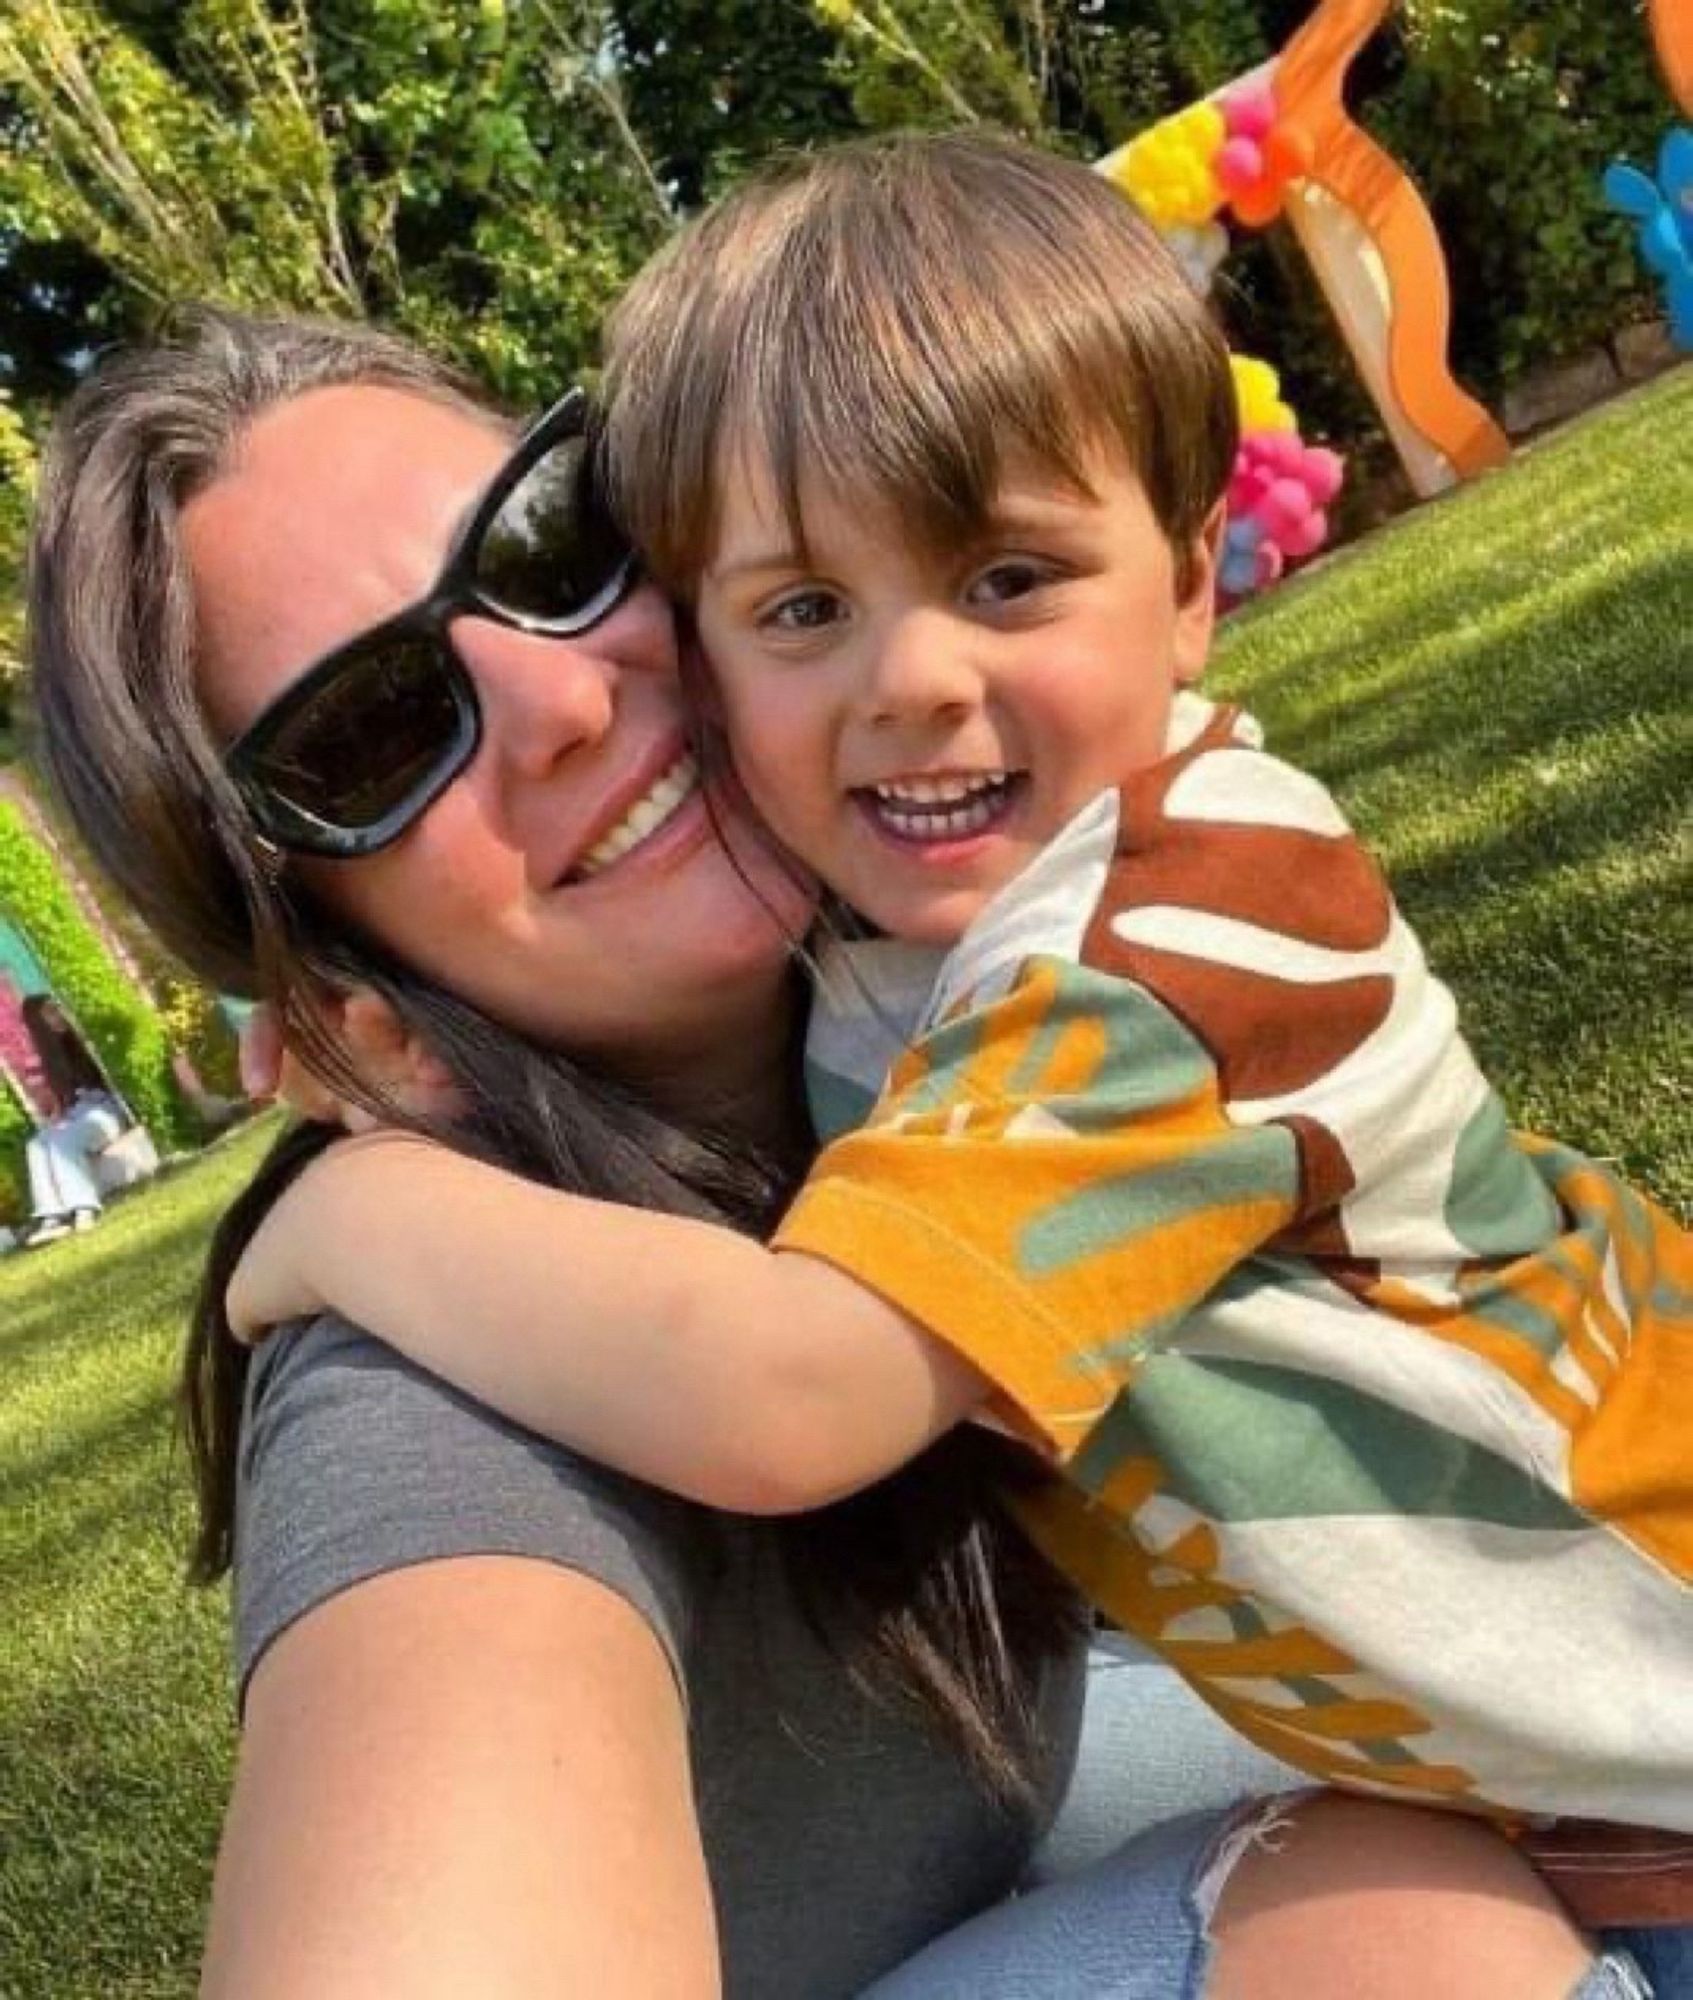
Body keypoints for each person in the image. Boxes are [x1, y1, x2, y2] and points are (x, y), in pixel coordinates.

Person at [29, 305, 1624, 1999]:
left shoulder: (963, 999)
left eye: (545, 538)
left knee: (1467, 1805)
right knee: (1404, 1931)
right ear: (321, 966)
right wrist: (342, 1216)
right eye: (369, 731)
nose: (563, 693)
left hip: (1088, 1822)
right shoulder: (433, 1401)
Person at [16, 992, 126, 1243]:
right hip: (75, 1115)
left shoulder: (83, 1039)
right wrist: (55, 1114)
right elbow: (53, 1106)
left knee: (63, 1143)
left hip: (103, 1111)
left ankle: (83, 1208)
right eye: (51, 1012)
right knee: (37, 1145)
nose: (59, 1015)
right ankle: (52, 1216)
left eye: (58, 1009)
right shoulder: (46, 1059)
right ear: (38, 1023)